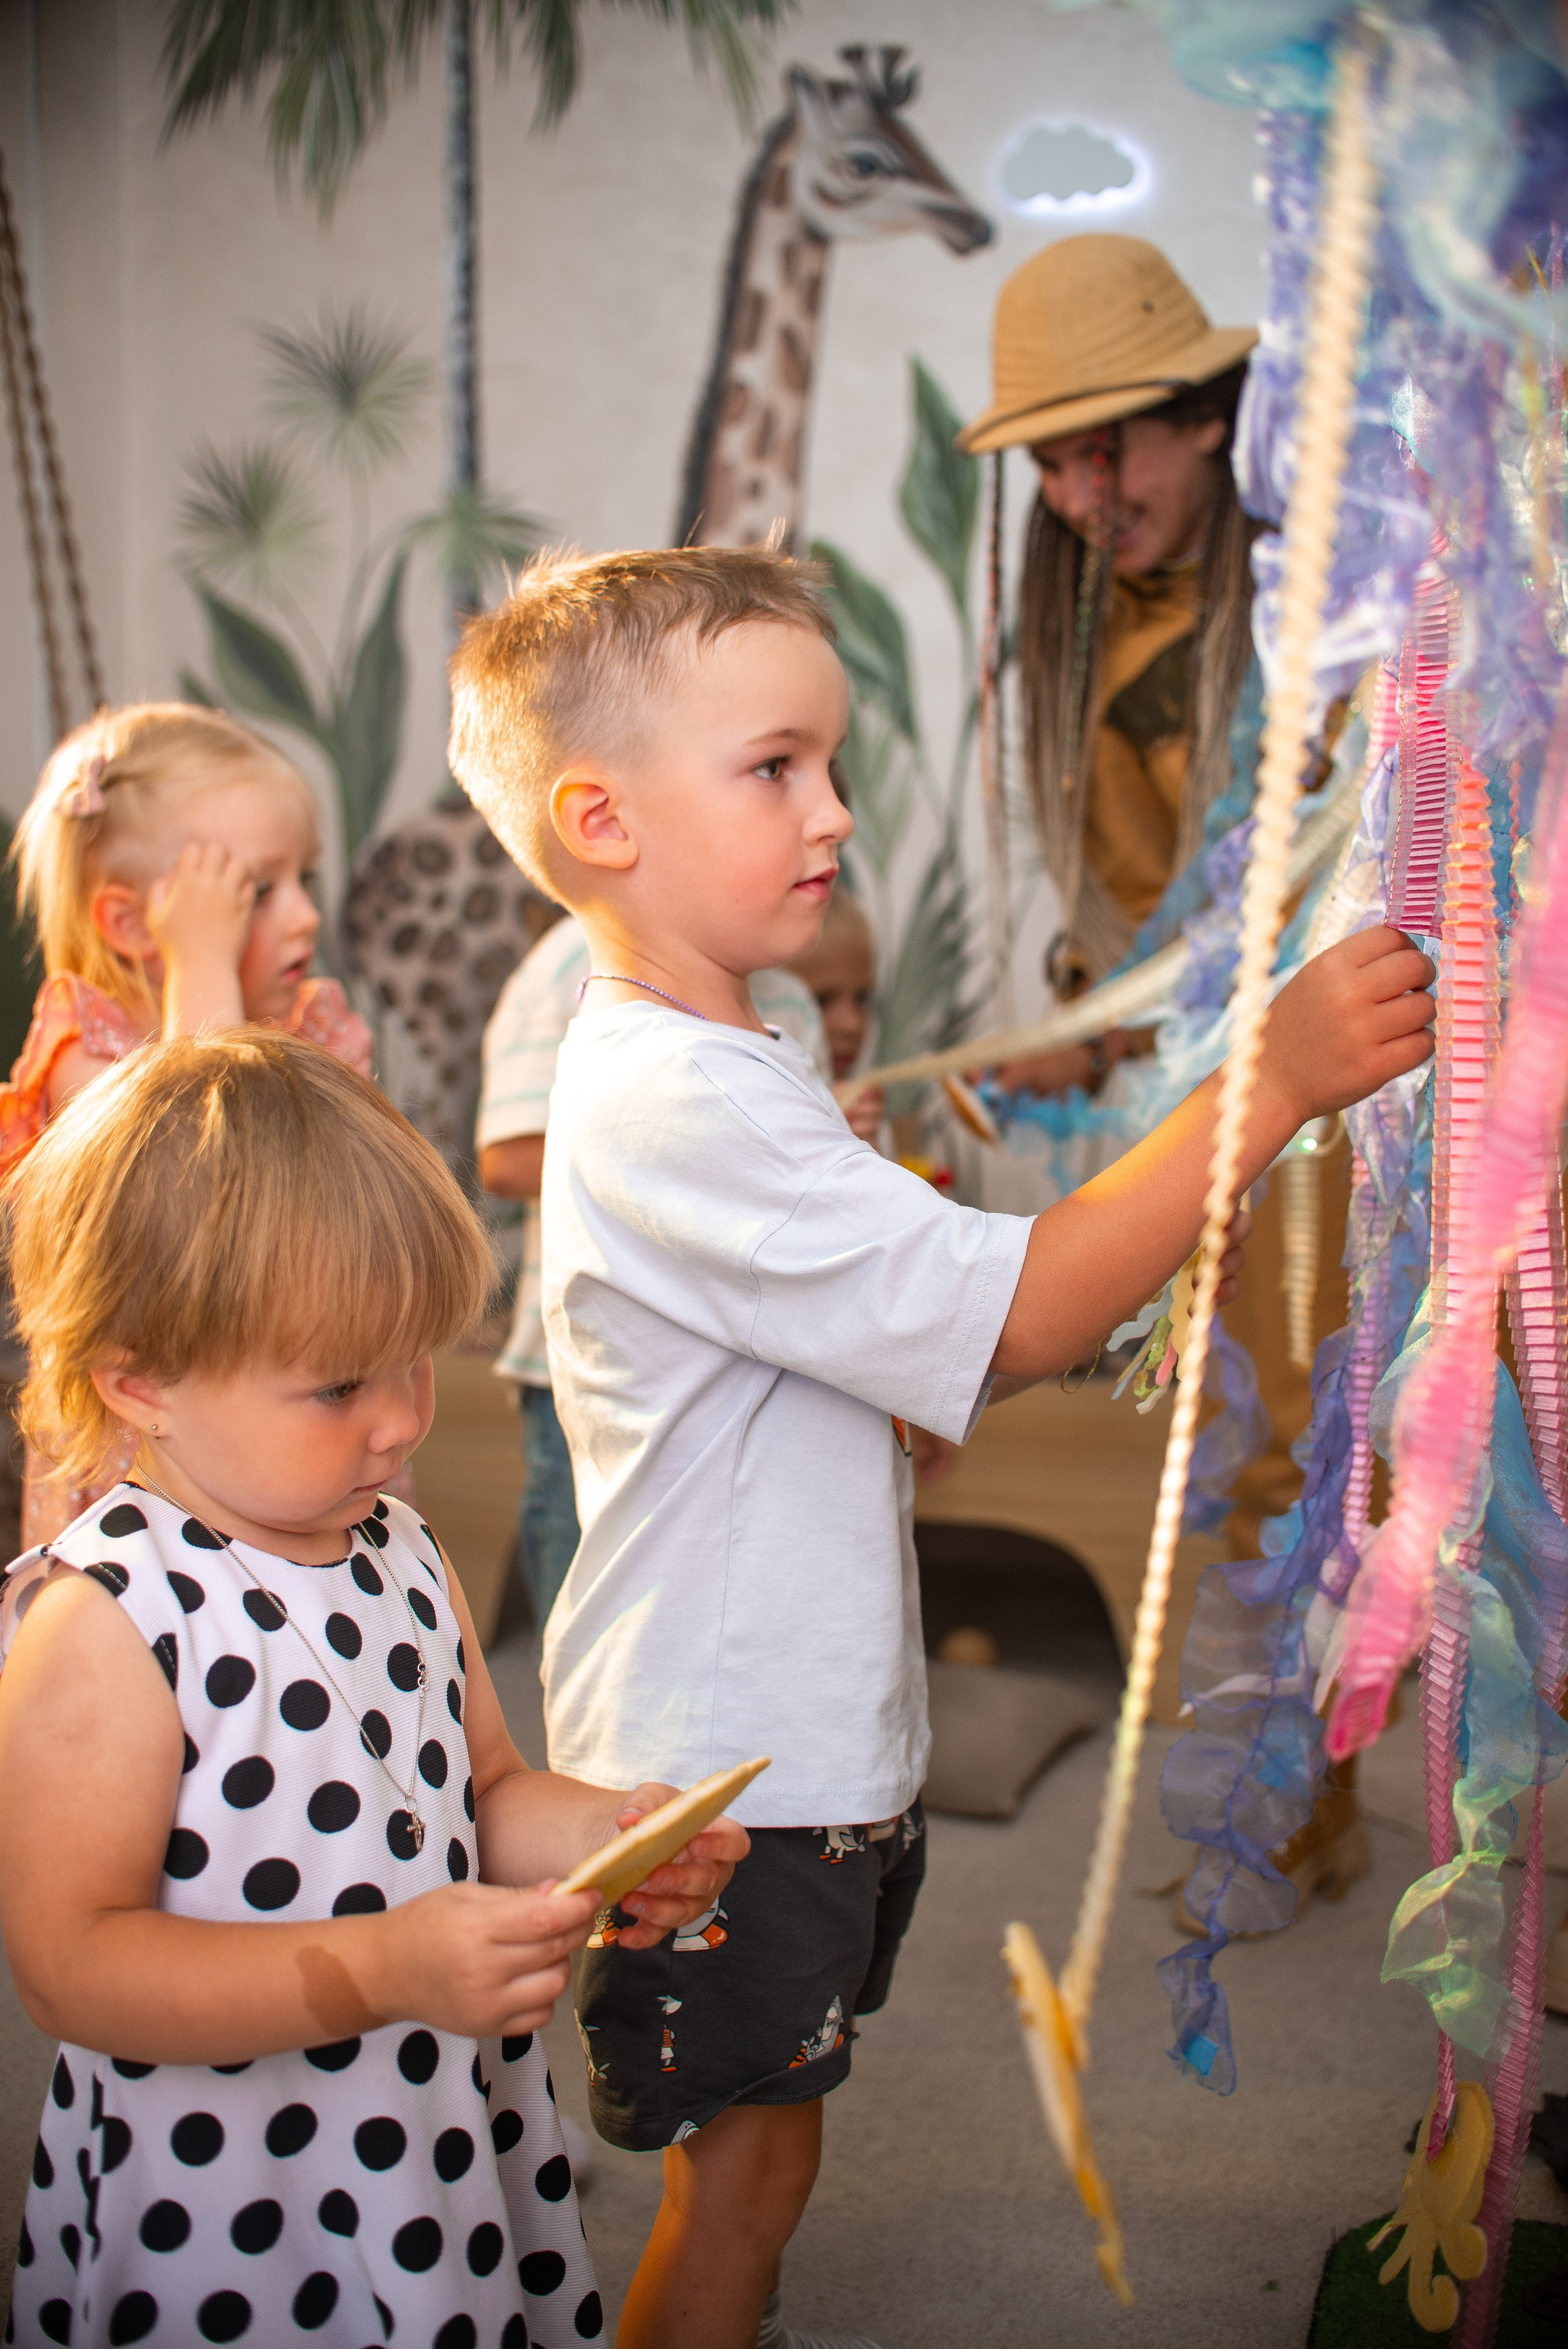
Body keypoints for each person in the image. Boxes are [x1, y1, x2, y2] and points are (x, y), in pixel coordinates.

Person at [446, 541, 1434, 2349]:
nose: (831, 811)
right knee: (742, 2181)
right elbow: (1024, 1308)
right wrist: (1271, 1081)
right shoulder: (671, 1093)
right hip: (718, 1776)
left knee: (770, 2154)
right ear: (600, 821)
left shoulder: (735, 1044)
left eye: (828, 761)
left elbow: (889, 1328)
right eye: (773, 767)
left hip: (791, 1734)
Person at [0, 1030, 747, 2348]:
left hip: (429, 2129)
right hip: (232, 2198)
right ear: (141, 1381)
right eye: (340, 1383)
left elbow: (482, 1792)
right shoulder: (108, 1621)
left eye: (414, 1360)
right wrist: (382, 1968)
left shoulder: (396, 1545)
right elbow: (73, 1969)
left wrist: (610, 1837)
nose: (400, 1420)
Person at [957, 232, 1370, 1906]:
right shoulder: (1091, 627)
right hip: (1235, 1098)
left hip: (1381, 1070)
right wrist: (1093, 1014)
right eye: (1048, 463)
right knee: (1260, 1446)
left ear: (1206, 416)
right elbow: (1144, 917)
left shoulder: (1340, 600)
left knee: (1430, 1444)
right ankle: (1287, 1802)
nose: (1076, 494)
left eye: (1102, 447)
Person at [0, 702, 375, 1547]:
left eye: (305, 877)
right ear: (136, 924)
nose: (306, 915)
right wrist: (203, 967)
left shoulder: (315, 1031)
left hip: (303, 1420)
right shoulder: (86, 1052)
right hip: (159, 1469)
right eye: (258, 891)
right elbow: (206, 1197)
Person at [478, 913, 842, 1629]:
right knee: (597, 1611)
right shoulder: (568, 966)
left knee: (722, 1609)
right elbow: (506, 1159)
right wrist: (695, 1146)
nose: (823, 851)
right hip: (596, 1372)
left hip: (748, 1365)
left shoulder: (791, 999)